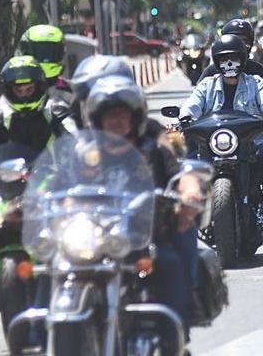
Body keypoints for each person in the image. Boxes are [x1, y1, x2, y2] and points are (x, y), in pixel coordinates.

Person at [83, 76, 205, 337]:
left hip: (147, 236)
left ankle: (179, 327)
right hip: (98, 241)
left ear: (134, 117)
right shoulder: (87, 153)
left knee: (171, 263)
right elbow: (66, 186)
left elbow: (181, 172)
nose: (115, 122)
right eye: (108, 116)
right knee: (60, 270)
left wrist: (190, 191)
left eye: (121, 115)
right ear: (97, 120)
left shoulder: (153, 146)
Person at [180, 34, 263, 227]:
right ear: (216, 61)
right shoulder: (207, 85)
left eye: (234, 58)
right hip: (213, 147)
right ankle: (192, 207)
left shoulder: (255, 83)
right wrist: (182, 119)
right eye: (223, 59)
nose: (229, 63)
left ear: (243, 59)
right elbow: (192, 105)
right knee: (191, 164)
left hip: (251, 145)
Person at [0, 56, 74, 171]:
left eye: (29, 89)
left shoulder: (56, 112)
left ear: (39, 87)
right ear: (9, 90)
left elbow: (76, 137)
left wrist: (84, 151)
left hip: (53, 181)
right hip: (9, 182)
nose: (24, 95)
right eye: (19, 90)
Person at [198, 19, 263, 86]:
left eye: (244, 41)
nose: (239, 46)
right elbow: (198, 96)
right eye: (234, 41)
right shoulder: (212, 71)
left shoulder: (260, 71)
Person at [19, 24, 73, 110]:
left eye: (50, 51)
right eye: (40, 51)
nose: (45, 58)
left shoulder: (70, 89)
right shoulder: (18, 87)